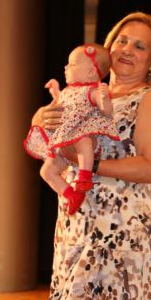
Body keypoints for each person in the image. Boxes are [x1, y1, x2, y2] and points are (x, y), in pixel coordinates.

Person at [29, 12, 151, 300]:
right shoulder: (84, 93)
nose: (127, 49)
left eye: (139, 46)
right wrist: (41, 119)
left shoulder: (149, 100)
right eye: (122, 40)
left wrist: (92, 167)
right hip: (77, 222)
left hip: (121, 227)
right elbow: (55, 147)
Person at [24, 44, 119, 215]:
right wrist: (55, 91)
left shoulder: (92, 91)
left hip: (83, 139)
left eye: (72, 64)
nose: (66, 67)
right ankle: (70, 195)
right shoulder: (69, 91)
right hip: (66, 143)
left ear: (91, 72)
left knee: (83, 140)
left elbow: (107, 111)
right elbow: (61, 104)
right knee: (46, 171)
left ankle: (84, 176)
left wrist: (104, 98)